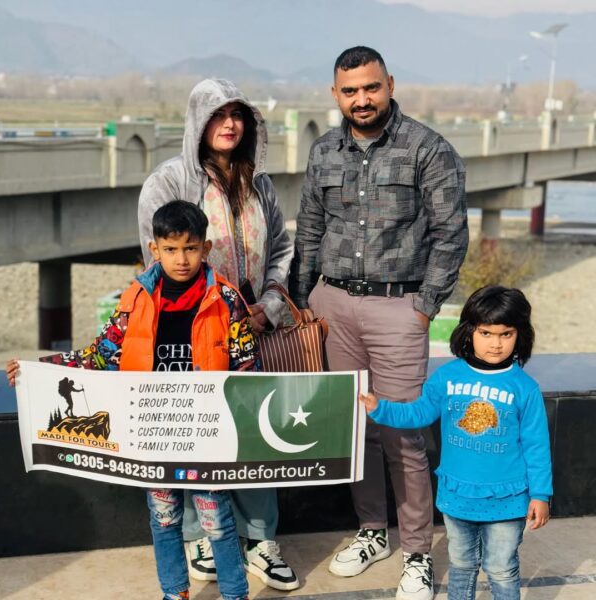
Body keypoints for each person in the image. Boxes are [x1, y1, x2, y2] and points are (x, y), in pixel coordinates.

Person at [8, 200, 257, 600]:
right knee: (164, 520)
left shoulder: (225, 299)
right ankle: (174, 593)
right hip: (153, 435)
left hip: (207, 437)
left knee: (217, 522)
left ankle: (234, 595)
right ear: (154, 249)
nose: (181, 259)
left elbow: (248, 366)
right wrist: (39, 367)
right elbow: (100, 356)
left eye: (191, 248)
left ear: (206, 248)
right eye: (171, 249)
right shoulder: (136, 299)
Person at [288, 46, 468, 599]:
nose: (361, 99)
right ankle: (371, 531)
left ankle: (416, 553)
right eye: (350, 91)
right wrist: (303, 301)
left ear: (389, 83)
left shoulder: (427, 148)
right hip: (333, 308)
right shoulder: (324, 151)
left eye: (371, 87)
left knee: (403, 434)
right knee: (356, 430)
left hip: (398, 309)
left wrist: (424, 307)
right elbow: (309, 229)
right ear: (335, 94)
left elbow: (451, 233)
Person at [137, 79, 298, 591]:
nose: (230, 124)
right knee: (194, 436)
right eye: (218, 114)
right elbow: (156, 264)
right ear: (197, 120)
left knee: (252, 432)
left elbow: (282, 249)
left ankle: (260, 540)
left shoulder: (259, 184)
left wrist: (268, 306)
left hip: (255, 329)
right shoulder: (168, 181)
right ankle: (199, 538)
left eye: (238, 114)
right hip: (193, 335)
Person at [360, 285, 552, 600]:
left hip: (508, 499)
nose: (496, 343)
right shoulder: (447, 376)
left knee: (501, 568)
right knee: (461, 565)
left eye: (506, 334)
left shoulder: (525, 388)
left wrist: (541, 495)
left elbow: (537, 446)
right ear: (468, 331)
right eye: (486, 333)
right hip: (457, 495)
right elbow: (419, 412)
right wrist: (380, 409)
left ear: (520, 335)